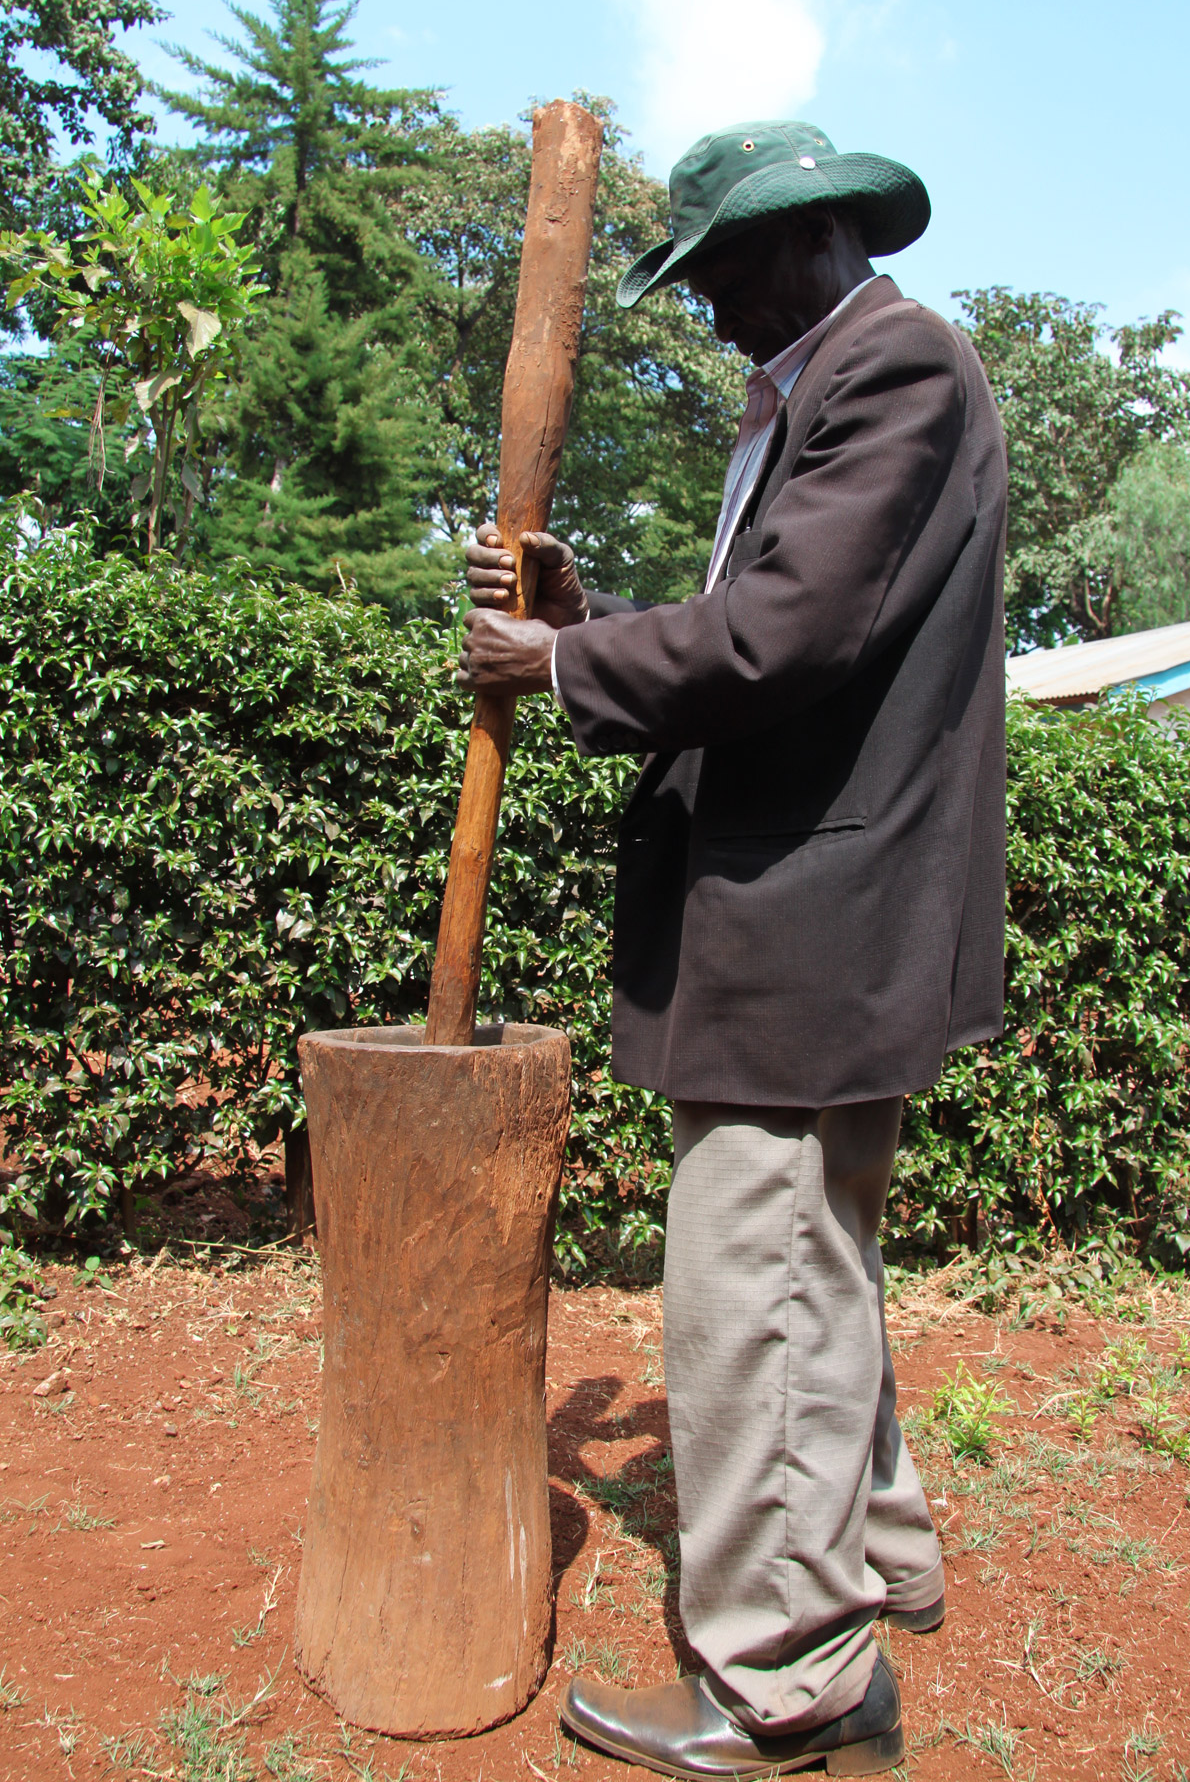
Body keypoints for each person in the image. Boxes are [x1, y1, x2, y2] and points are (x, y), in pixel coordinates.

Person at [459, 120, 1007, 1780]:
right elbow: (773, 623)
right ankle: (878, 1563)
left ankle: (792, 1684)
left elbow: (784, 638)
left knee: (752, 1283)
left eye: (712, 273)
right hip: (825, 920)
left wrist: (551, 673)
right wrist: (586, 620)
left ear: (805, 240)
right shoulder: (837, 390)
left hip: (813, 922)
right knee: (814, 1260)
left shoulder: (889, 371)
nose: (703, 312)